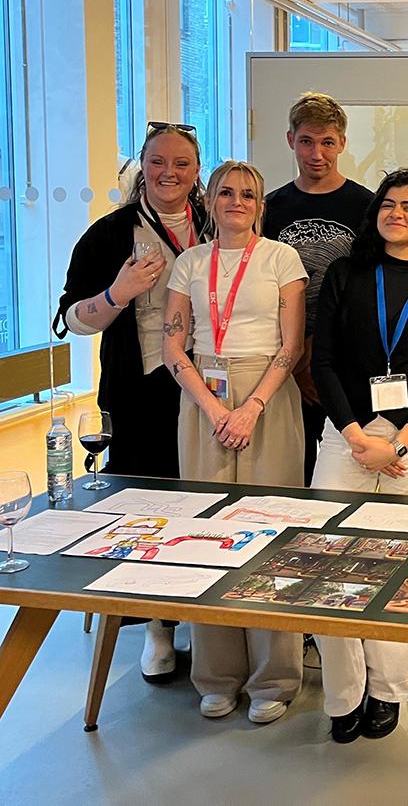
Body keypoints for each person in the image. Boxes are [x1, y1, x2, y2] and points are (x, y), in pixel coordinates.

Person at [310, 168, 408, 744]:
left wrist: (397, 443)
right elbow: (322, 362)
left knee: (404, 569)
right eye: (389, 204)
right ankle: (344, 695)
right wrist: (355, 437)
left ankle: (387, 690)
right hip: (346, 433)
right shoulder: (346, 276)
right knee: (328, 564)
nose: (396, 214)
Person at [53, 122, 208, 683]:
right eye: (159, 161)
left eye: (183, 163)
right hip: (140, 391)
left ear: (197, 171)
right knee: (147, 509)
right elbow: (73, 319)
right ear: (143, 165)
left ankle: (199, 616)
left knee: (205, 499)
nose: (170, 173)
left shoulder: (216, 223)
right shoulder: (109, 234)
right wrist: (118, 293)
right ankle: (157, 628)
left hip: (209, 389)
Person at [162, 159, 307, 724]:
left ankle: (275, 677)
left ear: (261, 204)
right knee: (205, 537)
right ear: (210, 200)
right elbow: (175, 347)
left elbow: (291, 345)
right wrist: (215, 407)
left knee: (273, 535)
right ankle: (216, 674)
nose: (237, 201)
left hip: (266, 397)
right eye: (226, 192)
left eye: (249, 193)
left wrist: (249, 407)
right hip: (204, 396)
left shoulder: (281, 258)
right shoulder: (188, 263)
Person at [264, 92, 374, 485]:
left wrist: (319, 354)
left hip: (346, 362)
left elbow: (370, 290)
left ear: (342, 142)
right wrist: (295, 358)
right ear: (290, 139)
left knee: (344, 470)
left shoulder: (368, 207)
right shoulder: (268, 209)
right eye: (307, 141)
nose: (317, 153)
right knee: (290, 469)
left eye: (327, 142)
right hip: (281, 362)